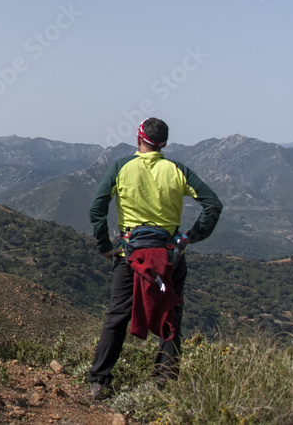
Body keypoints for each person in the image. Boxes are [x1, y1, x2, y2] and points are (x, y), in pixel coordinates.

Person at [86, 117, 222, 398]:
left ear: (139, 139)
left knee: (117, 316)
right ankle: (164, 384)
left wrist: (104, 245)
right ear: (164, 144)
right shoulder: (177, 170)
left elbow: (97, 208)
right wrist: (188, 237)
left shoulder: (121, 167)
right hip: (168, 256)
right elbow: (212, 204)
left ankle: (99, 381)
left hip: (130, 255)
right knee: (170, 317)